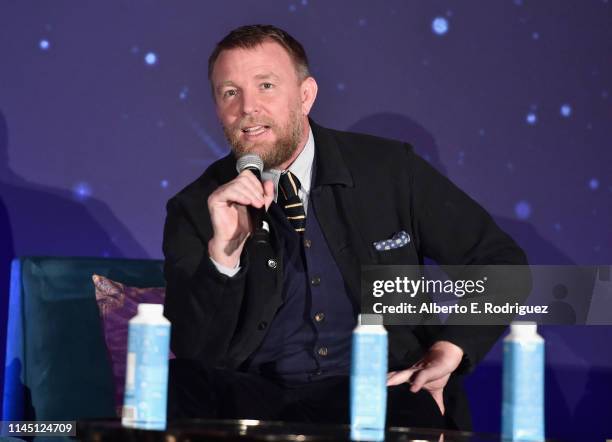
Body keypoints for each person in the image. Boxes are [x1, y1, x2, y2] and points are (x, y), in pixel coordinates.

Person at [163, 24, 527, 430]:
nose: (247, 107)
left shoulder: (390, 170)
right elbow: (193, 349)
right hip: (256, 399)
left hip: (380, 390)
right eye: (229, 92)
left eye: (265, 85)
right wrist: (223, 256)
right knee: (180, 383)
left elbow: (502, 264)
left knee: (413, 410)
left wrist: (452, 347)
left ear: (305, 95)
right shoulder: (197, 206)